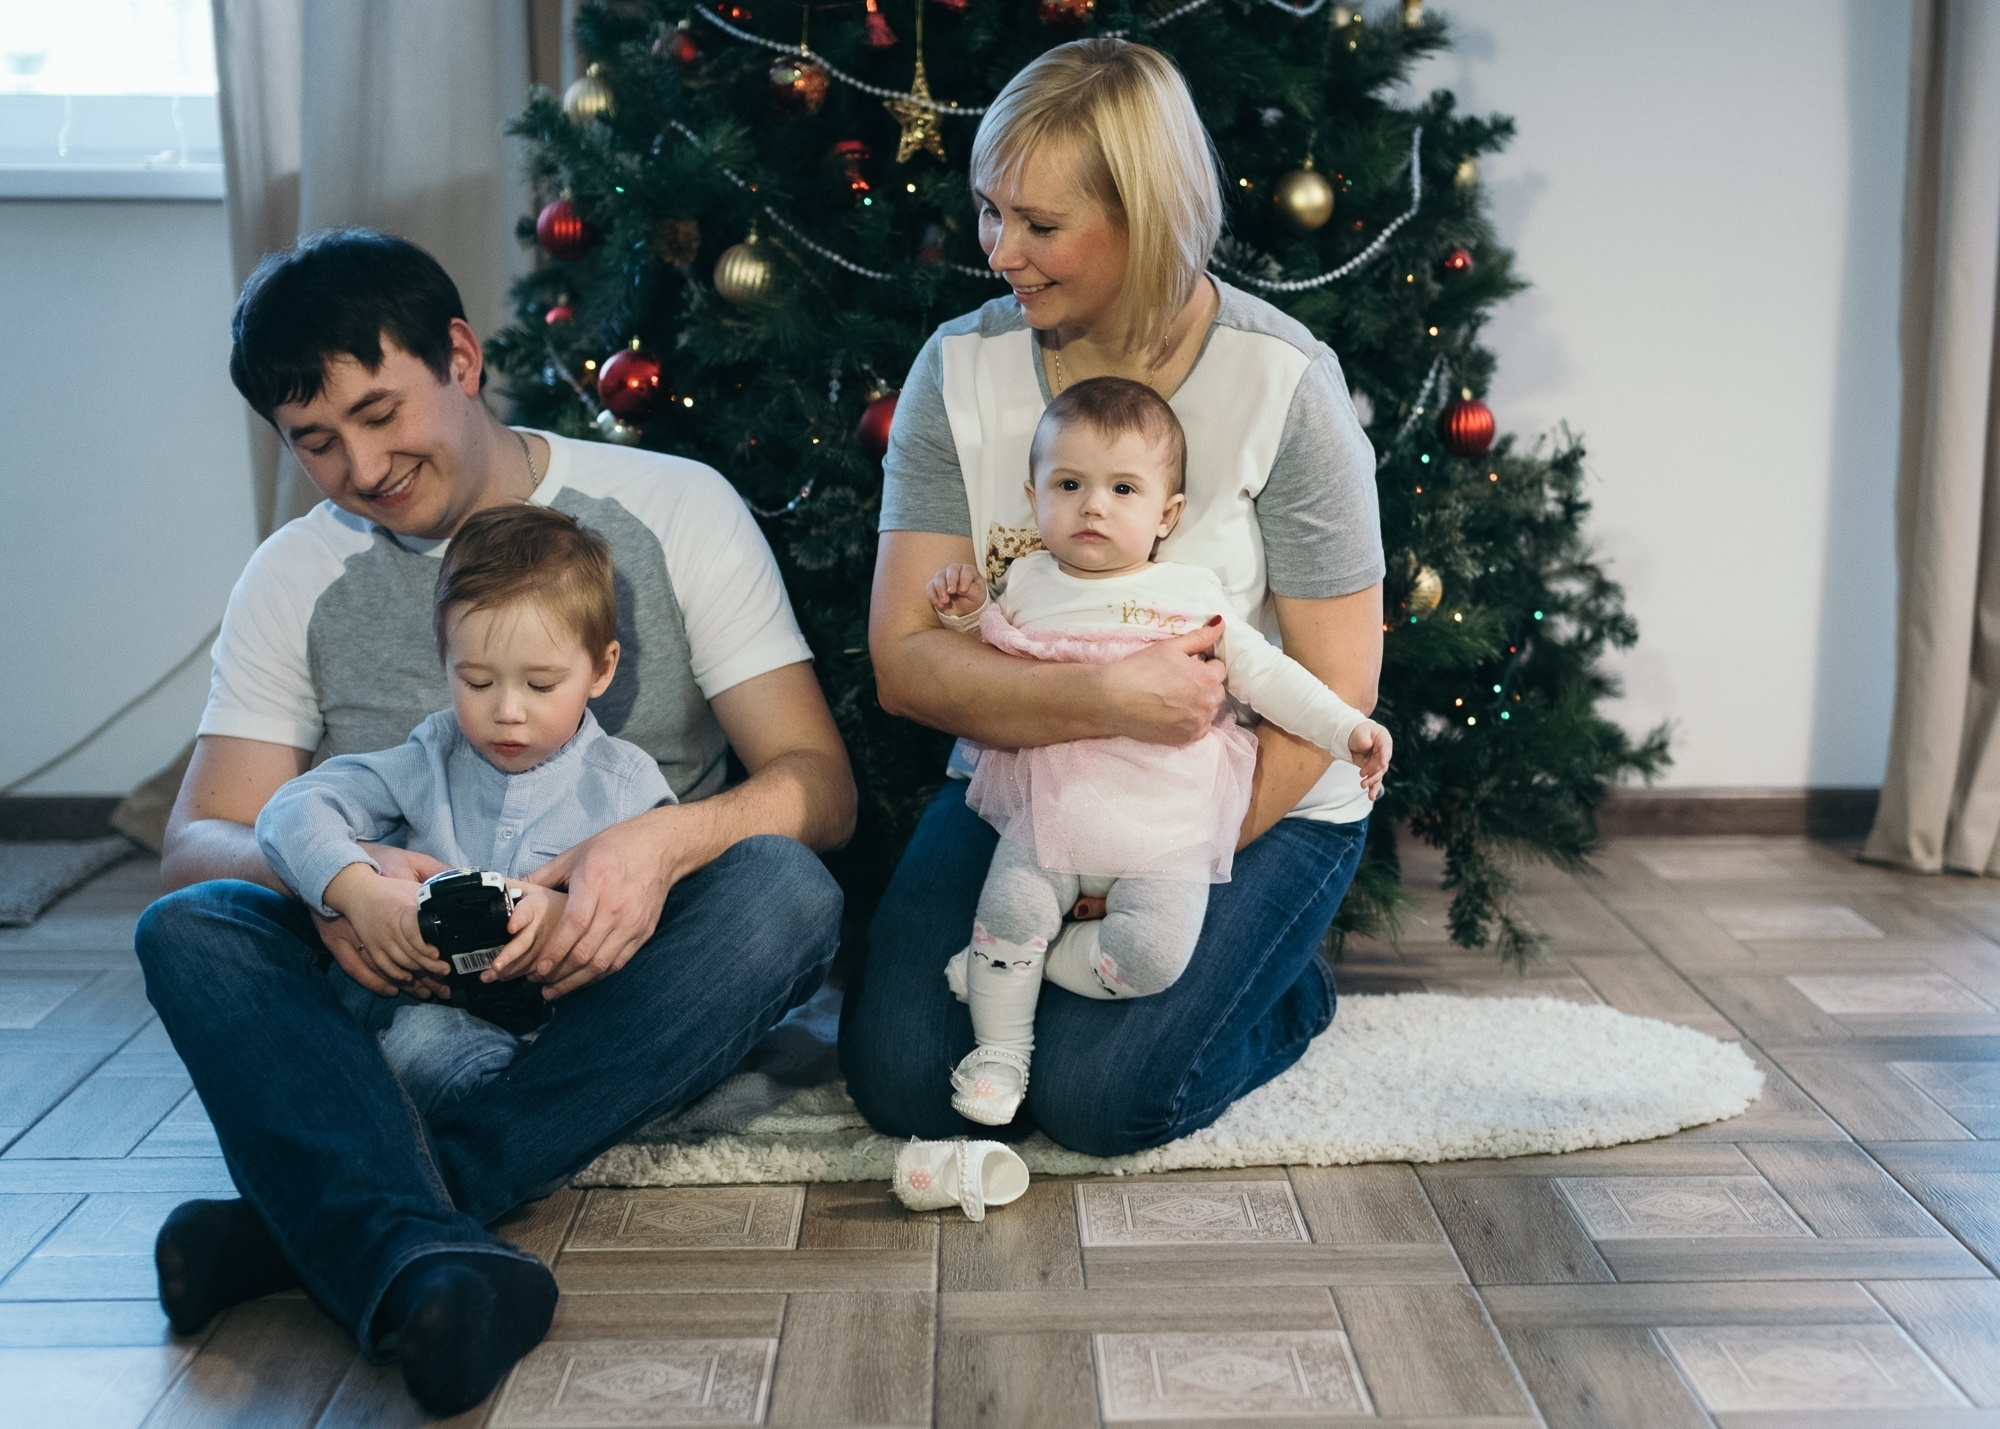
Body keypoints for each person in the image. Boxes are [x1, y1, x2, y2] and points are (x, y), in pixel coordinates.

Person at [135, 228, 854, 1415]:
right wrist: (346, 886)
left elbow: (816, 785)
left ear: (460, 357)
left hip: (612, 977)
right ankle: (430, 1241)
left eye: (381, 412)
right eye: (315, 442)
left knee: (789, 892)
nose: (361, 465)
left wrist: (654, 845)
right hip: (397, 978)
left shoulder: (673, 509)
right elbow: (199, 842)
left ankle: (325, 1224)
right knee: (193, 927)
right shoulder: (290, 575)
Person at [839, 38, 1385, 1158]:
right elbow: (904, 660)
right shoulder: (957, 371)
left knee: (1099, 1099)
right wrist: (1109, 706)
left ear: (1149, 219)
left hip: (1239, 789)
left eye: (1039, 226)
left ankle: (1285, 994)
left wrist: (1147, 854)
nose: (999, 253)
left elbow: (1335, 682)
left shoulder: (1282, 380)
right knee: (902, 1080)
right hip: (1027, 782)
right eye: (990, 212)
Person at [926, 377, 1391, 1127]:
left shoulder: (1186, 593)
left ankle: (1019, 966)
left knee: (1147, 957)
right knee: (1010, 902)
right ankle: (1000, 1054)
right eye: (1068, 484)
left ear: (1166, 513)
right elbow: (996, 661)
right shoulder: (1027, 584)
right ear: (1033, 493)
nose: (1093, 506)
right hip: (1051, 803)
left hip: (1164, 817)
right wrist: (967, 614)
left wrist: (1347, 729)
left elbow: (1268, 674)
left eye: (1122, 488)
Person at [256, 504, 673, 1116]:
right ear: (444, 662)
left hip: (570, 1020)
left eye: (540, 685)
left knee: (650, 1020)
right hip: (432, 1012)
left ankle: (501, 1116)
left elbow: (667, 918)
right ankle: (501, 1116)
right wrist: (358, 893)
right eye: (477, 681)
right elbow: (290, 809)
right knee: (413, 1045)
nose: (507, 710)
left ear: (601, 669)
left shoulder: (626, 785)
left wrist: (568, 919)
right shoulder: (431, 755)